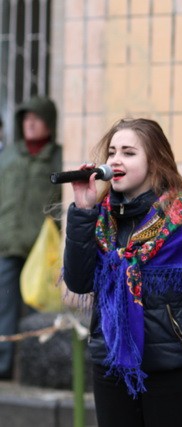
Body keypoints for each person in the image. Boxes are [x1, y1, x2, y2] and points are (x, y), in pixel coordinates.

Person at [62, 118, 182, 426]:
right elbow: (78, 281)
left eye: (128, 152)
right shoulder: (100, 217)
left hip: (170, 369)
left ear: (154, 162)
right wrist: (83, 210)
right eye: (112, 152)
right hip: (111, 364)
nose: (115, 160)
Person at [0, 95, 61, 379]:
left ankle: (34, 371)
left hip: (42, 249)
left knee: (39, 306)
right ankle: (3, 368)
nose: (30, 124)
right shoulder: (9, 156)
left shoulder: (59, 157)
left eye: (36, 119)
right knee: (4, 307)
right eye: (26, 119)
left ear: (49, 124)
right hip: (7, 244)